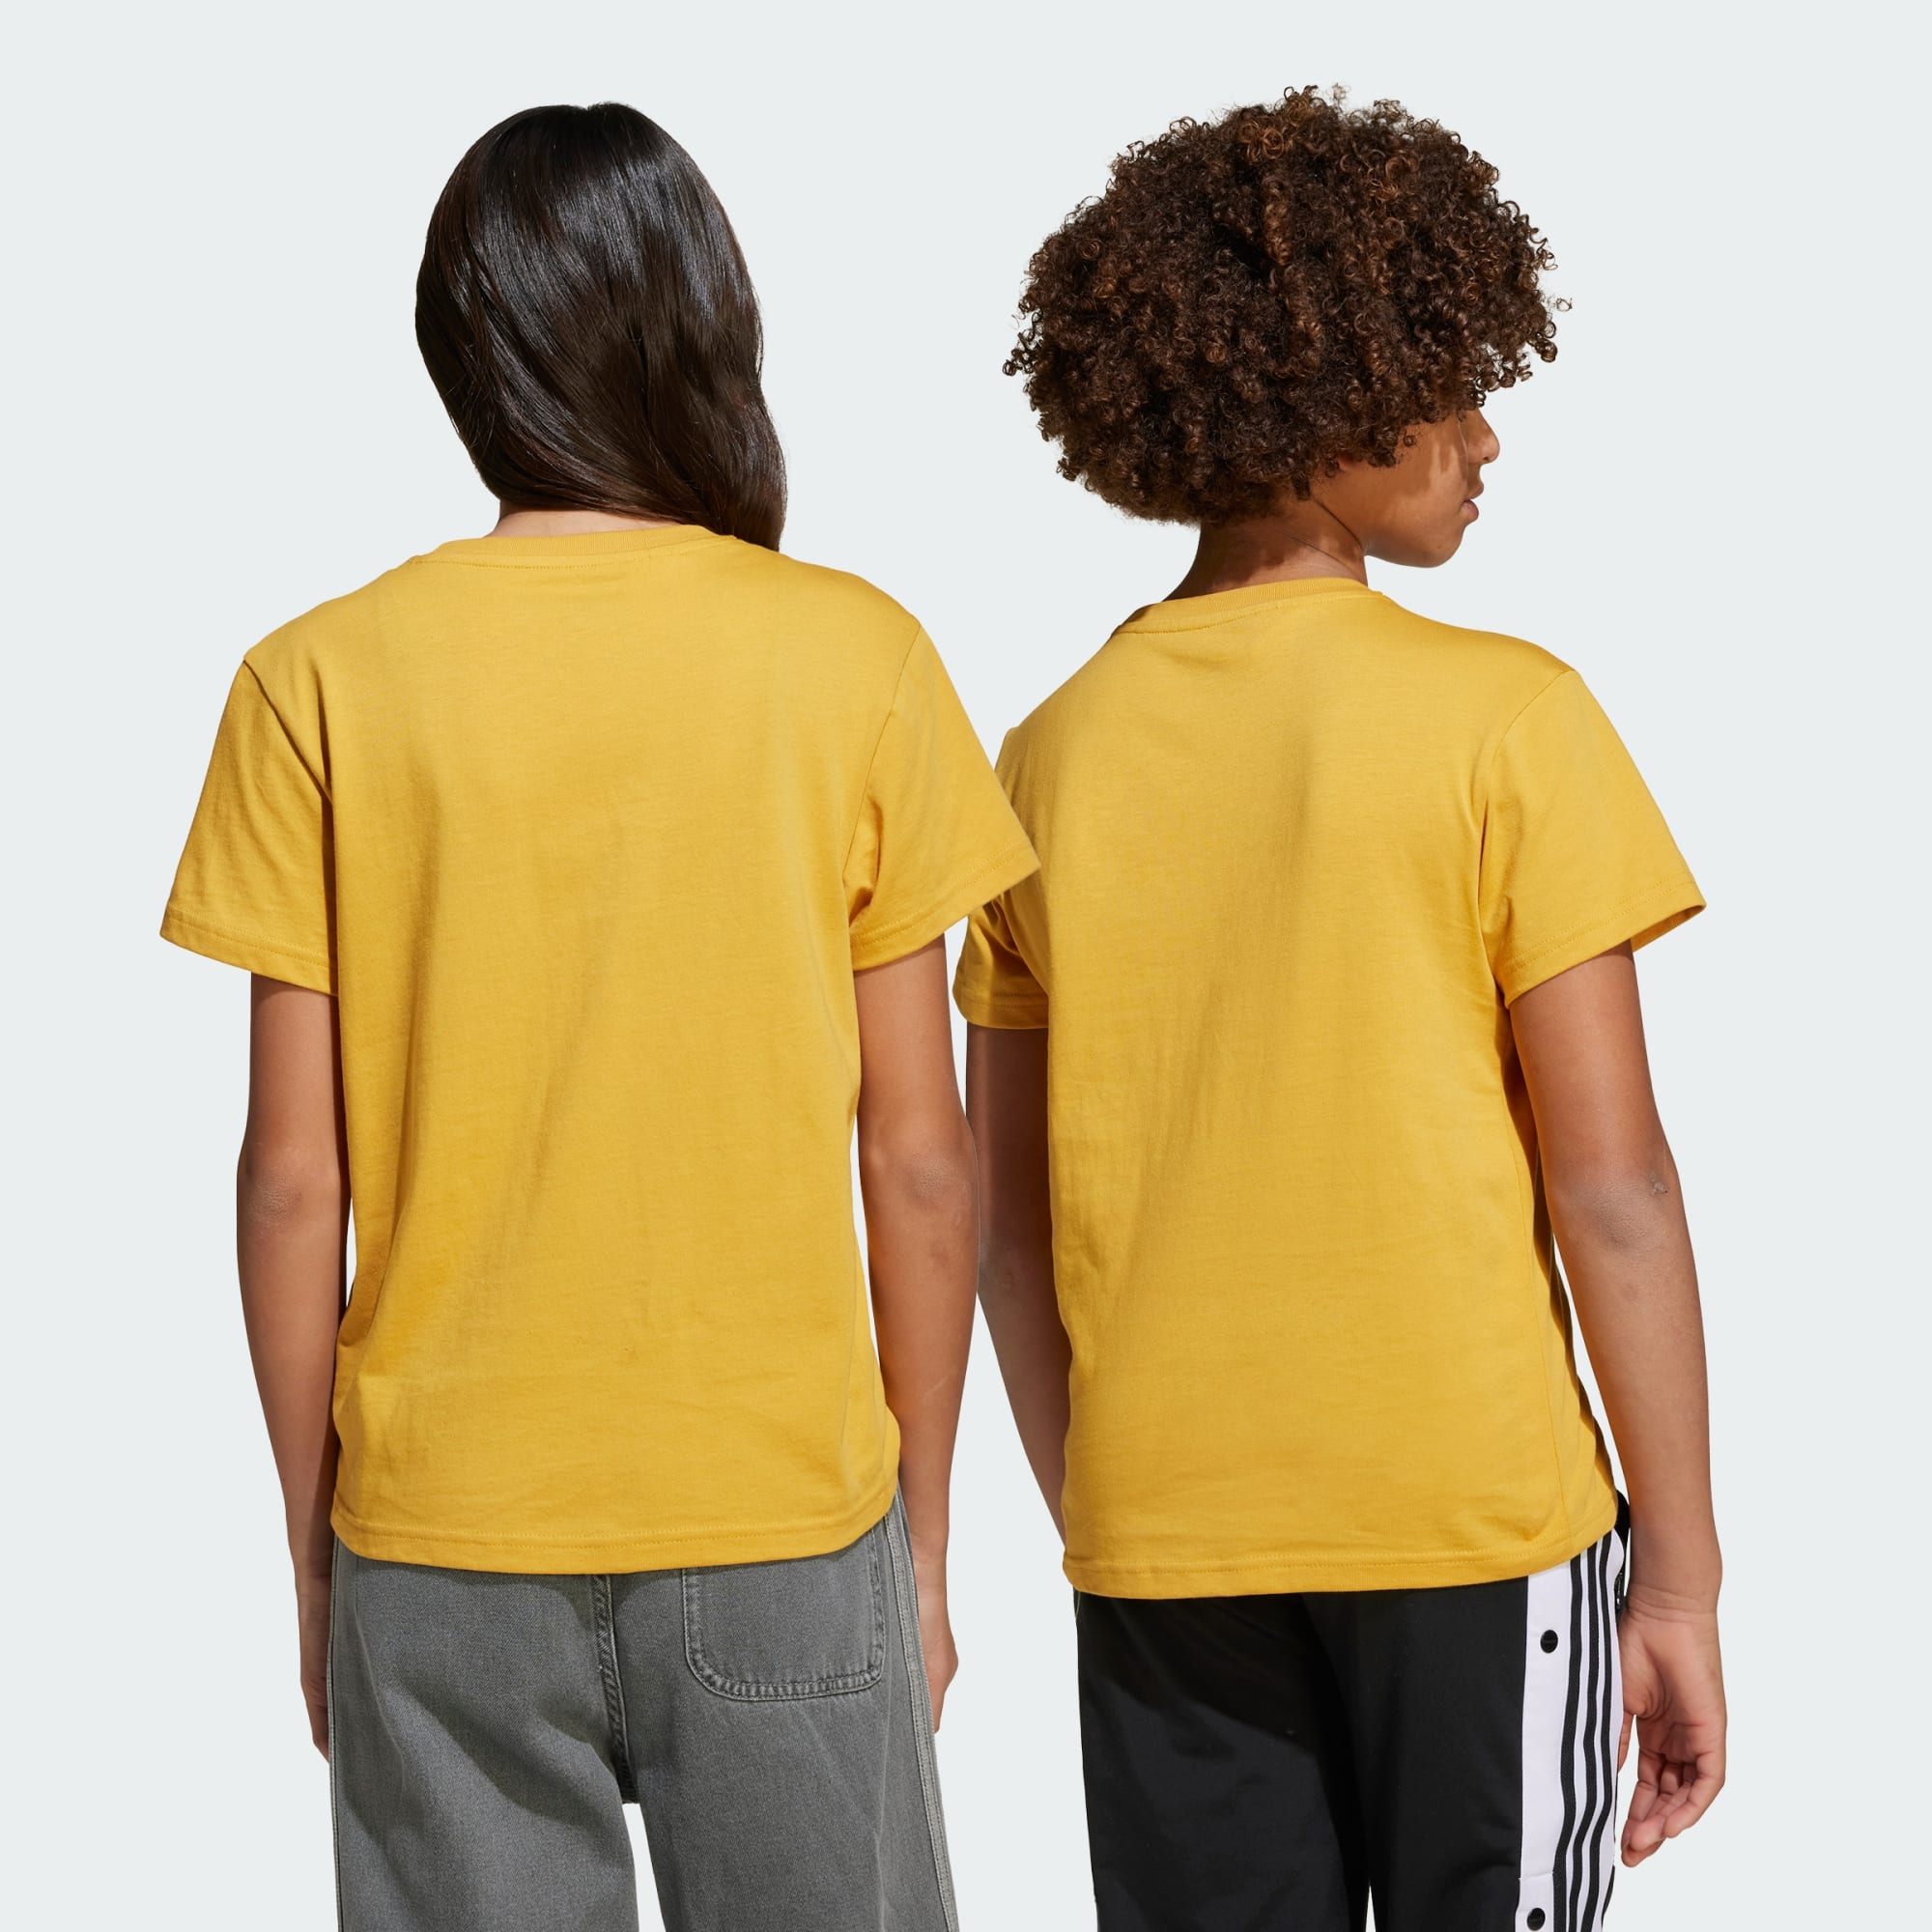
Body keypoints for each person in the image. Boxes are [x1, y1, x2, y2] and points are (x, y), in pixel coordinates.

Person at [162, 101, 1035, 1932]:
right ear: (709, 321)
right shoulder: (854, 657)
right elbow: (920, 1154)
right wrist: (927, 1542)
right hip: (785, 1512)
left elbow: (289, 1178)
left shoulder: (316, 680)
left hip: (441, 1531)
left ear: (459, 344)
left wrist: (316, 1557)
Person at [957, 87, 1725, 1932]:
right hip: (1470, 1523)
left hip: (1167, 1546)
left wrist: (1115, 1508)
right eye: (1445, 382)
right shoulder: (1509, 721)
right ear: (1317, 400)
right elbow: (1611, 1186)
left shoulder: (1044, 758)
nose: (1483, 434)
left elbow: (1003, 1225)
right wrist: (1683, 1584)